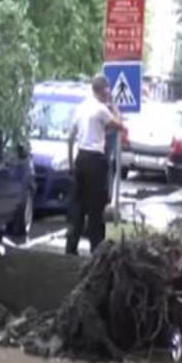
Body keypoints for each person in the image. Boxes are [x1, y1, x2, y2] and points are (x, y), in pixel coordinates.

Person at [66, 75, 123, 255]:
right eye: (107, 90)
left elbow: (70, 138)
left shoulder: (81, 107)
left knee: (78, 206)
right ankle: (97, 250)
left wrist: (70, 163)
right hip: (95, 161)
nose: (109, 93)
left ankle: (71, 248)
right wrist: (114, 106)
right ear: (103, 90)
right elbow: (119, 125)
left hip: (81, 159)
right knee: (96, 208)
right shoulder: (101, 109)